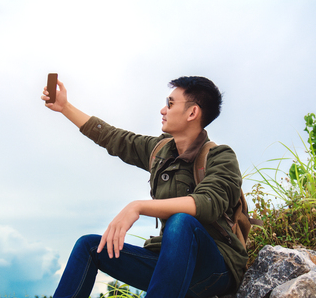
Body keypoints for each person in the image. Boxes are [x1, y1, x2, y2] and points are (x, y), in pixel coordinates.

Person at [41, 76, 248, 298]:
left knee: (181, 221)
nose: (163, 110)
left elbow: (207, 203)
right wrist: (65, 107)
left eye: (170, 103)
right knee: (89, 247)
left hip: (213, 269)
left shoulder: (221, 157)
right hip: (166, 264)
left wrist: (138, 206)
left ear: (192, 113)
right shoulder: (159, 150)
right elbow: (114, 138)